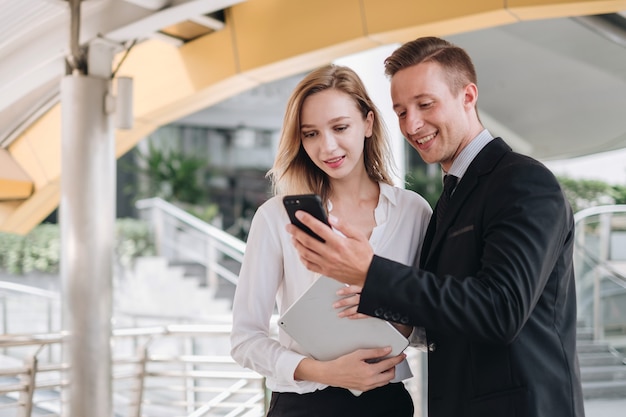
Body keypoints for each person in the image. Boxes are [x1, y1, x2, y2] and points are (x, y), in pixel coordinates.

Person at [287, 37, 585, 417]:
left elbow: (501, 310)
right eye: (400, 111)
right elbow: (450, 310)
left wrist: (372, 272)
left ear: (468, 96)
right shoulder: (449, 198)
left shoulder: (522, 182)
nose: (412, 124)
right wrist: (386, 310)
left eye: (425, 104)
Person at [230, 64, 432, 417]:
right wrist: (324, 371)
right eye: (310, 134)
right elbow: (245, 340)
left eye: (340, 127)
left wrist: (383, 297)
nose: (327, 146)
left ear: (368, 123)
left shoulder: (412, 212)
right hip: (304, 405)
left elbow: (428, 325)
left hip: (387, 403)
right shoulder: (276, 218)